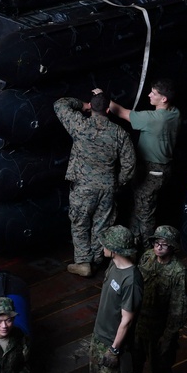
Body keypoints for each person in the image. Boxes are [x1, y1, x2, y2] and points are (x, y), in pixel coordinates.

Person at [54, 91, 136, 277]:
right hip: (107, 187)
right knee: (102, 225)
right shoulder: (119, 133)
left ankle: (83, 261)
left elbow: (60, 103)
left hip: (82, 187)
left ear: (92, 107)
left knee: (80, 223)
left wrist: (82, 104)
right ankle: (98, 260)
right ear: (108, 110)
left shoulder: (79, 125)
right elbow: (129, 164)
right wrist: (118, 182)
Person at [107, 80, 181, 248]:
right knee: (140, 207)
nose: (149, 95)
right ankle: (134, 240)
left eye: (154, 93)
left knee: (145, 214)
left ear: (163, 99)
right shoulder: (175, 113)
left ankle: (149, 250)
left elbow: (121, 112)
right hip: (163, 170)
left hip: (151, 172)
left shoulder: (154, 119)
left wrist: (102, 96)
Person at [91, 225, 143, 373]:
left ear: (114, 250)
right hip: (99, 337)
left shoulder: (131, 280)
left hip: (113, 346)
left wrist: (114, 350)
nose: (102, 247)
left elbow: (127, 320)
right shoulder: (113, 265)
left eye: (105, 244)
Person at [131, 225, 187, 373]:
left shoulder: (179, 272)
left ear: (172, 247)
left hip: (160, 330)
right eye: (156, 242)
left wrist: (168, 337)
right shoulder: (147, 257)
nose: (159, 247)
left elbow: (178, 309)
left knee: (161, 372)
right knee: (132, 367)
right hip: (139, 324)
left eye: (164, 243)